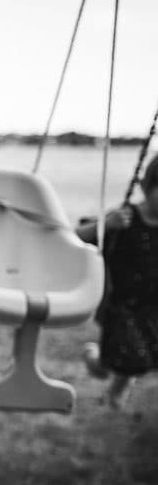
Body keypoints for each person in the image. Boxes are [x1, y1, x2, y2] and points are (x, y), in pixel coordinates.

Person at [76, 153, 158, 408]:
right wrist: (106, 225)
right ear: (147, 187)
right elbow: (76, 236)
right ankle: (94, 360)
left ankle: (117, 390)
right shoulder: (126, 217)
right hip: (121, 304)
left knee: (145, 355)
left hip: (152, 304)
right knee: (127, 356)